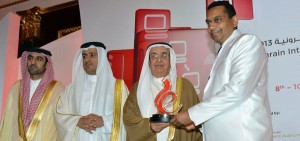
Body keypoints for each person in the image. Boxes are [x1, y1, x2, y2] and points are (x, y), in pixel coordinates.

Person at [171, 1, 273, 141]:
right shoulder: (224, 50)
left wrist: (191, 114)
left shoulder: (247, 43)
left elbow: (237, 91)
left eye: (217, 20)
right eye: (208, 23)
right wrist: (199, 121)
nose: (211, 27)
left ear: (234, 21)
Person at [123, 42, 202, 141]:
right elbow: (128, 118)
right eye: (154, 56)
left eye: (164, 55)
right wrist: (149, 126)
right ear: (149, 62)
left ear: (170, 61)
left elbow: (198, 118)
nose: (159, 60)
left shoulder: (185, 86)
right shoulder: (138, 88)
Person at [55, 42, 128, 141]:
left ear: (101, 58)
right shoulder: (71, 89)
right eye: (84, 56)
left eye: (92, 55)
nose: (87, 60)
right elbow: (59, 114)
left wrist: (104, 121)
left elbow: (127, 116)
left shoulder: (118, 87)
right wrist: (77, 121)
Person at [0, 48, 65, 141]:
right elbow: (7, 121)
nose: (33, 62)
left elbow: (63, 121)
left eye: (39, 59)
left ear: (47, 64)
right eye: (30, 58)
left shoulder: (57, 89)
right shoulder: (16, 87)